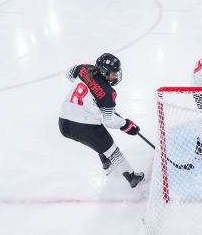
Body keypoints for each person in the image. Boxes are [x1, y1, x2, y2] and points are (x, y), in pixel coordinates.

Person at [59, 53, 144, 188]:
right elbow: (110, 121)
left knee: (96, 139)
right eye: (113, 73)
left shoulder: (84, 69)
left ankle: (105, 161)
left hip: (63, 122)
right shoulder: (108, 93)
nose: (116, 75)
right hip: (83, 126)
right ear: (104, 72)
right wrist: (126, 124)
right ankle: (133, 178)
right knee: (112, 150)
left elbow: (68, 74)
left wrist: (89, 93)